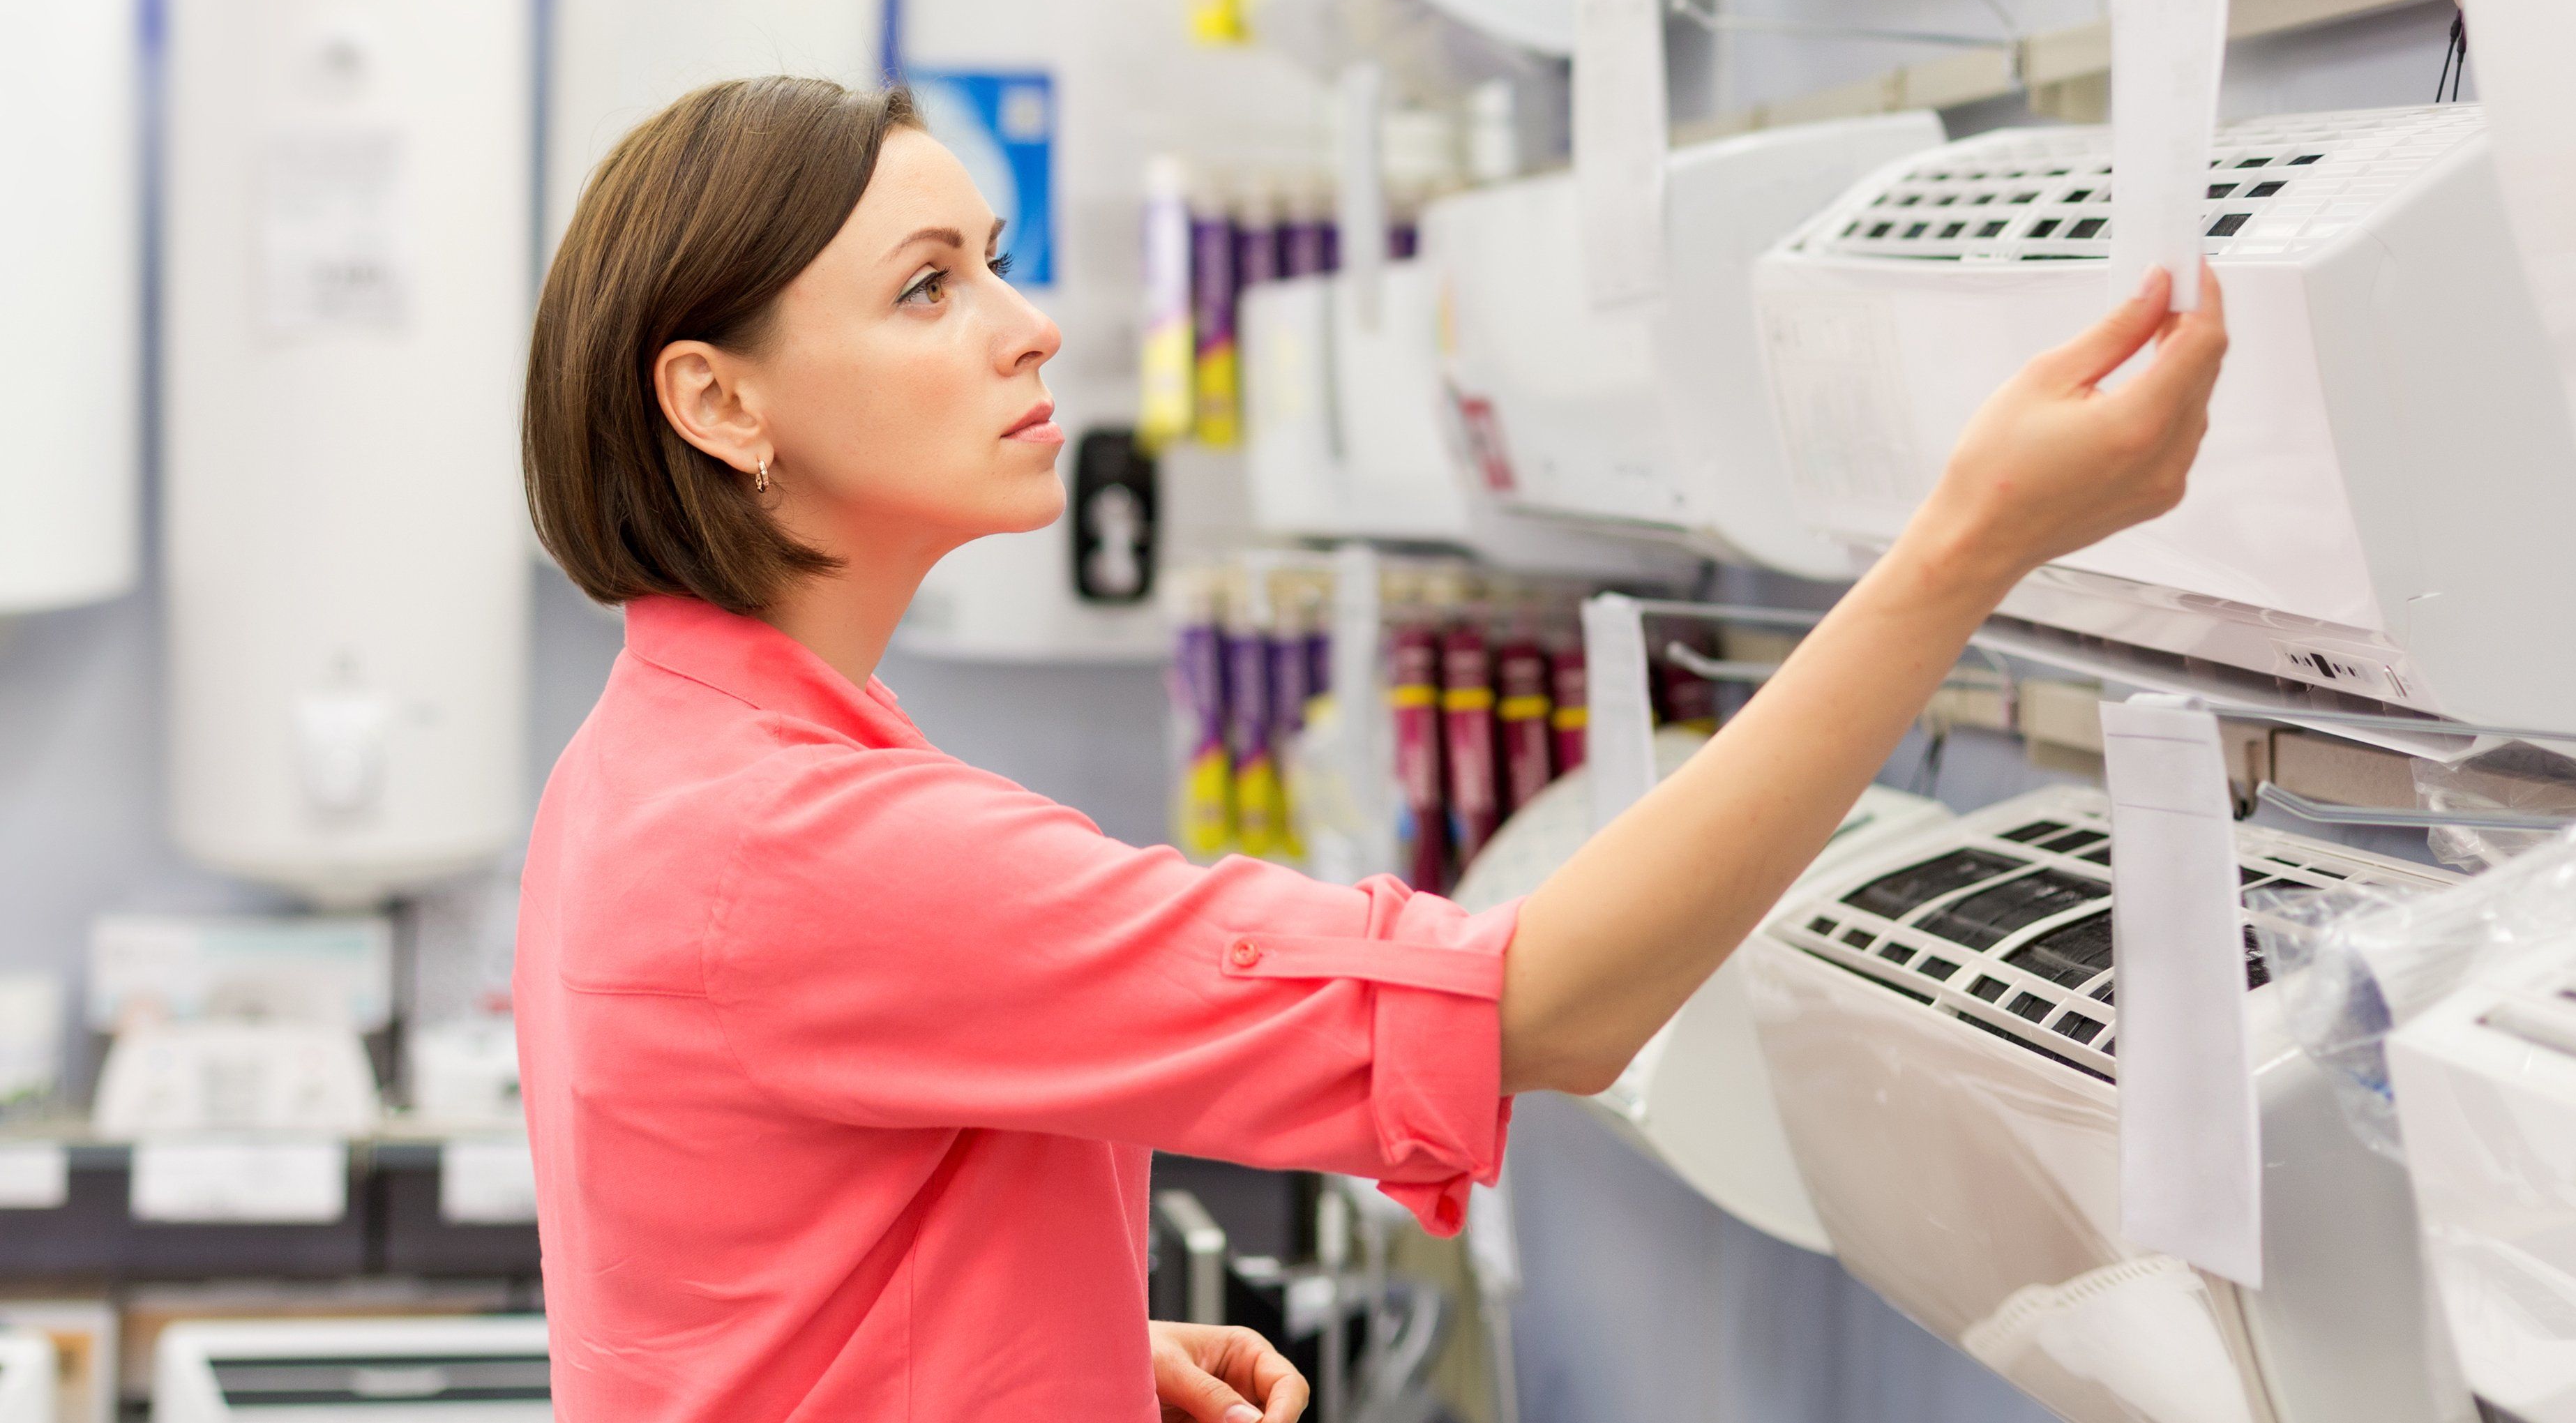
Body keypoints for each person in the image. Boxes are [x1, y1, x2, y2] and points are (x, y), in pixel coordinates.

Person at [515, 75, 2227, 1423]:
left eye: (998, 259)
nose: (1024, 326)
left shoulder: (655, 763)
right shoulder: (818, 847)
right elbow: (1542, 1007)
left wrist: (1036, 1349)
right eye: (924, 288)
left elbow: (749, 1279)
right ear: (717, 402)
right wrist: (1958, 554)